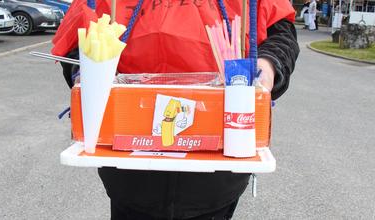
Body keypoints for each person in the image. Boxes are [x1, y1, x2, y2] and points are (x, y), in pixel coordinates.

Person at [57, 0, 299, 219]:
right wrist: (86, 70)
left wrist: (267, 66)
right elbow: (82, 35)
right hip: (128, 166)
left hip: (217, 169)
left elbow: (281, 32)